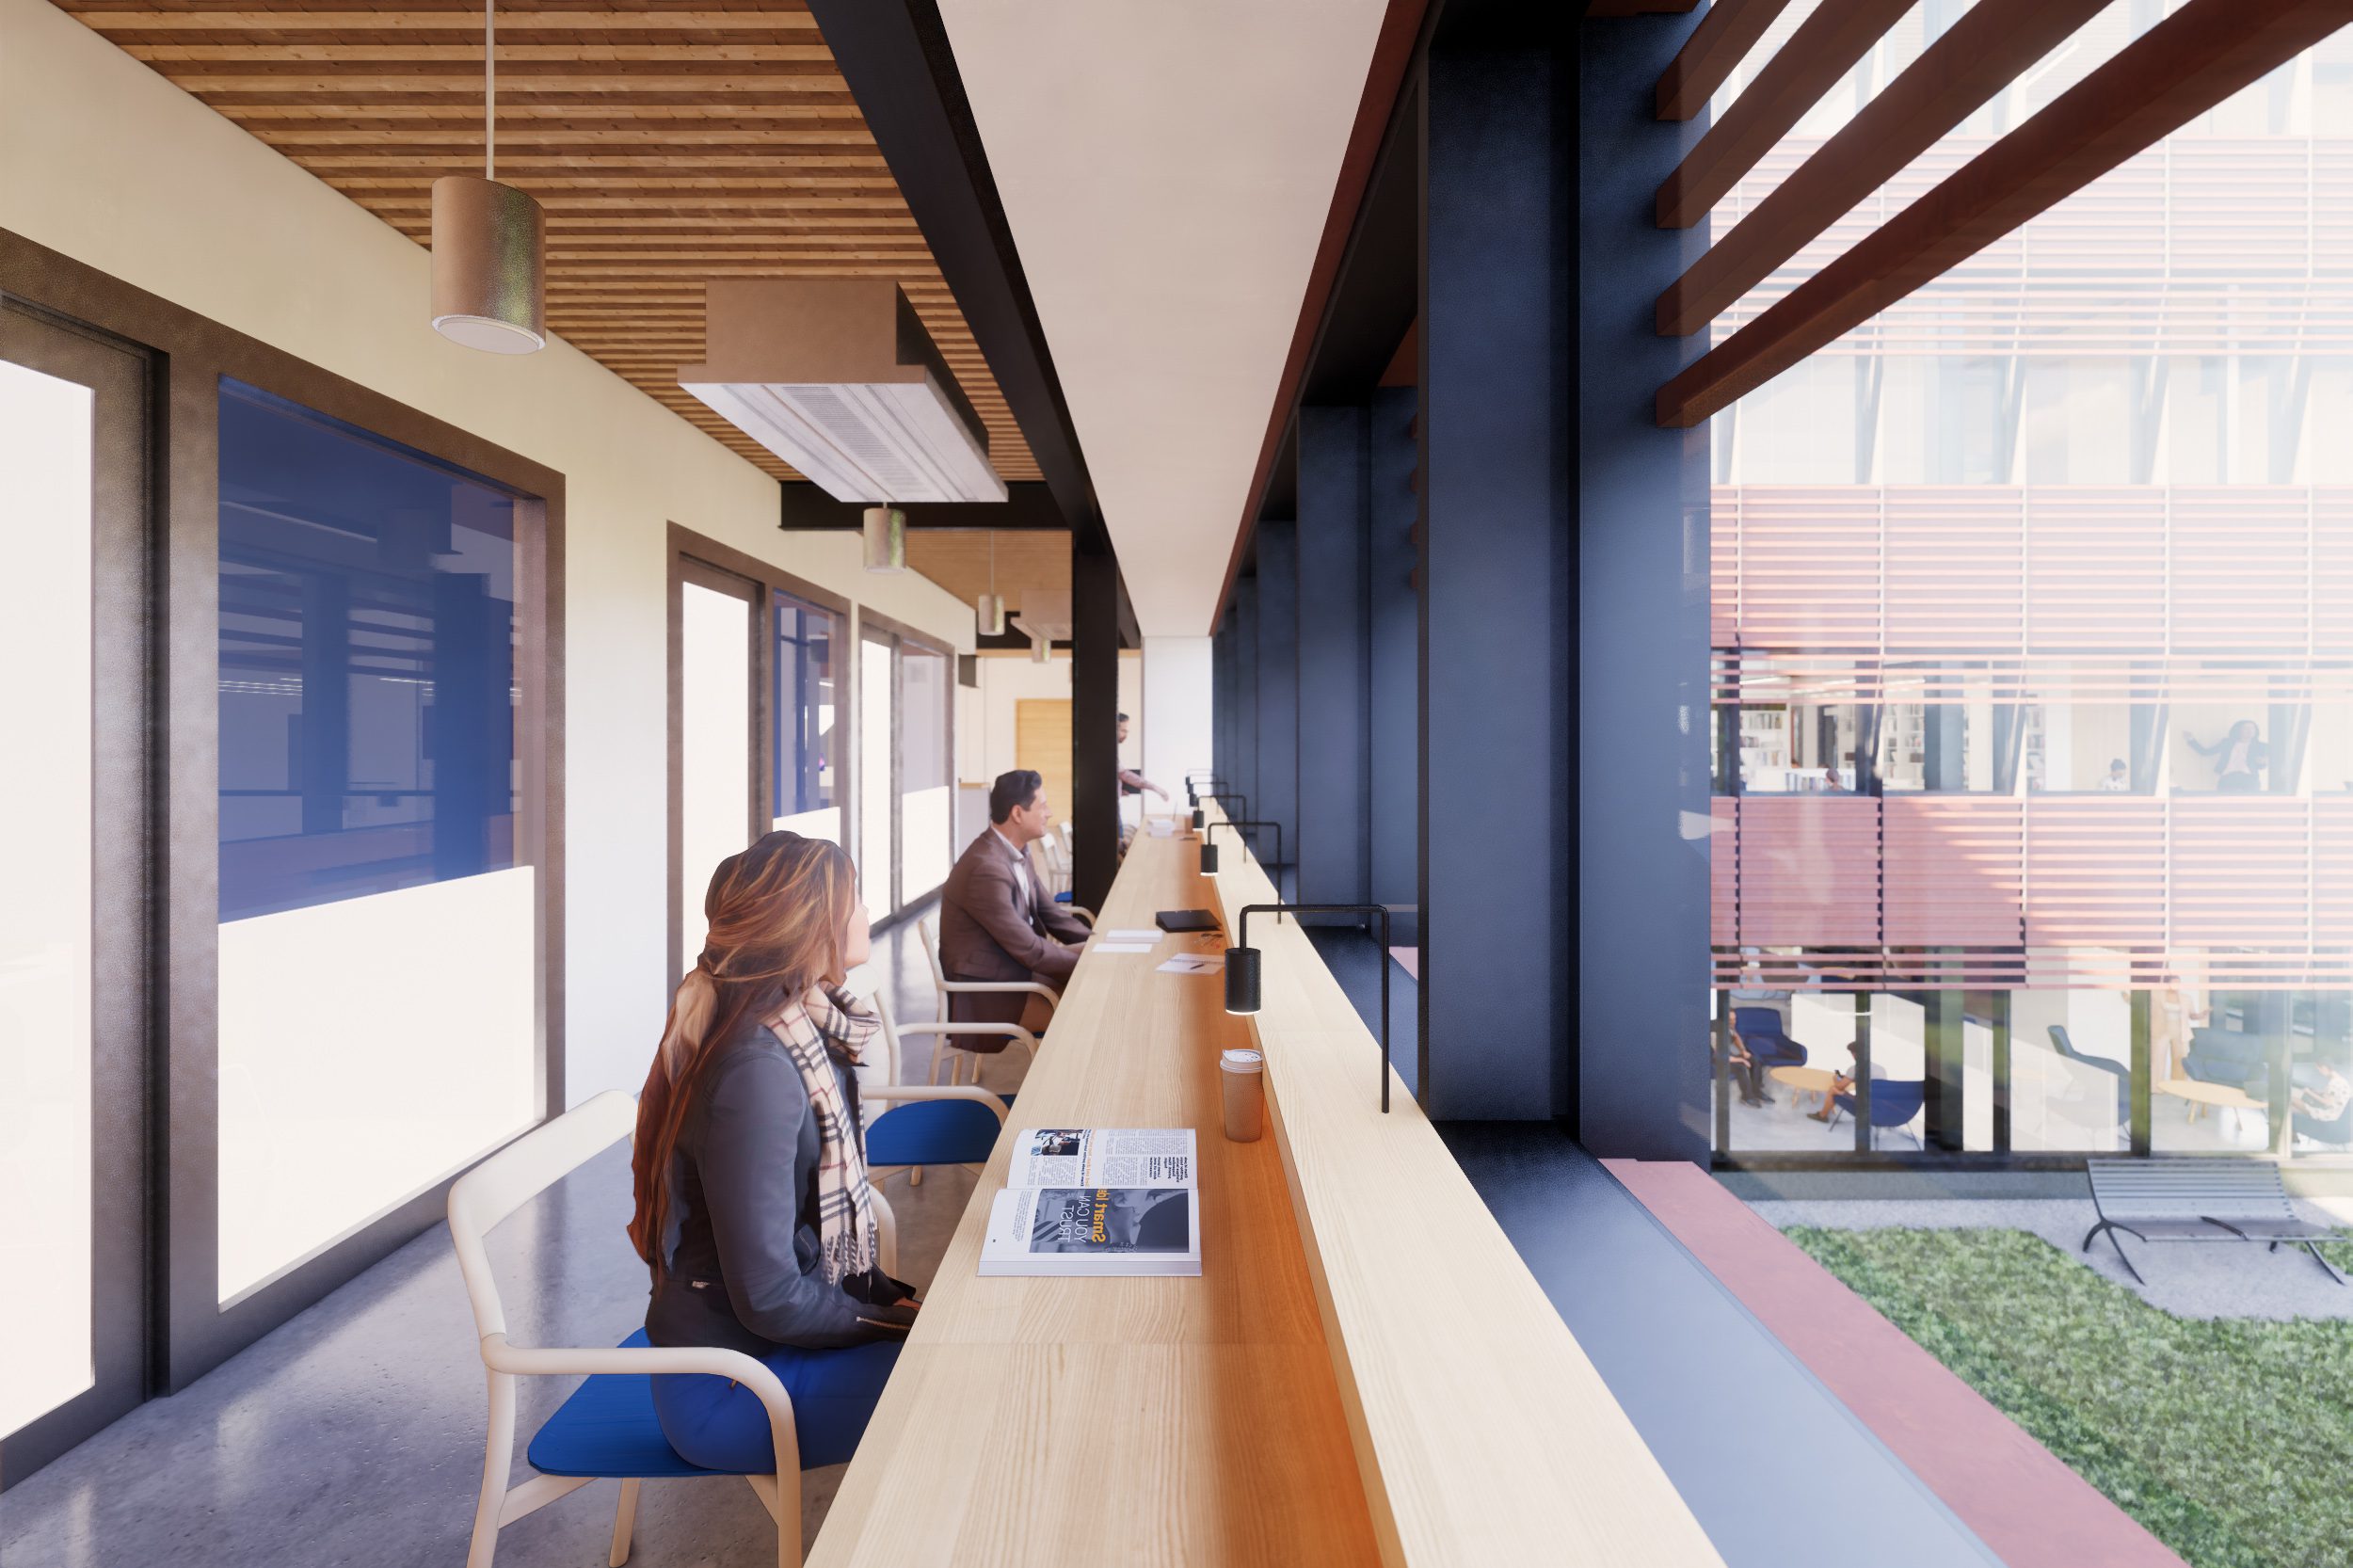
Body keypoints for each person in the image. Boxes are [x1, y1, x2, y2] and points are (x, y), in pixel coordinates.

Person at [630, 832, 919, 1474]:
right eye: (856, 899)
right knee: (965, 1381)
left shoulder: (793, 1019)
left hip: (755, 1345)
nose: (867, 913)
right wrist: (893, 1322)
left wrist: (887, 1307)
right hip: (731, 1385)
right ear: (810, 925)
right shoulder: (757, 1069)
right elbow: (767, 1297)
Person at [938, 769, 1092, 1038]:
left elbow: (1052, 915)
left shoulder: (1016, 850)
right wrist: (1092, 963)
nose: (1049, 813)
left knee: (1094, 972)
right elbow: (1031, 950)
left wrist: (1098, 944)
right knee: (1090, 1008)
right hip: (990, 995)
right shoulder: (985, 869)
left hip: (1014, 972)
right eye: (1042, 806)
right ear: (1018, 813)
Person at [2186, 720, 2267, 793]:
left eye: (2253, 728)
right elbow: (2205, 752)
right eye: (2246, 728)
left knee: (2250, 806)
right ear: (2238, 730)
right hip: (2228, 778)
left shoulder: (2261, 746)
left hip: (2249, 779)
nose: (2250, 731)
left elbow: (2261, 766)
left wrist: (2263, 762)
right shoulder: (2227, 743)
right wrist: (2191, 740)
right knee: (2225, 805)